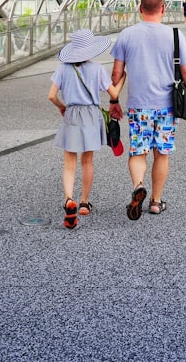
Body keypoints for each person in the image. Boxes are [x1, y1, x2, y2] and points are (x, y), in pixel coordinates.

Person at [111, 0, 186, 220]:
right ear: (163, 9)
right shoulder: (175, 35)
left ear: (140, 9)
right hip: (167, 105)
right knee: (161, 153)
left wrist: (114, 100)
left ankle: (138, 185)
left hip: (139, 106)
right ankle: (156, 201)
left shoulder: (127, 35)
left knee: (138, 151)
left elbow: (117, 72)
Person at [49, 29, 125, 229]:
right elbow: (114, 92)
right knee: (87, 160)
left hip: (72, 113)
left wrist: (61, 106)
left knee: (69, 163)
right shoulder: (97, 69)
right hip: (91, 115)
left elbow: (51, 95)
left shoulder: (64, 69)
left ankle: (68, 200)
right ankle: (83, 202)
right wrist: (123, 77)